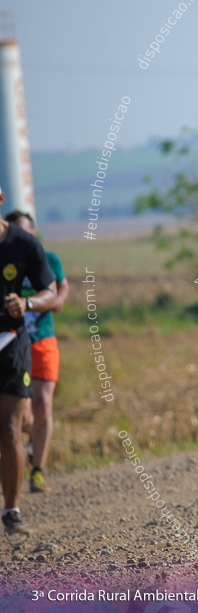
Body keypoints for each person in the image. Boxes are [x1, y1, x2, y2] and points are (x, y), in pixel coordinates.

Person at [0, 192, 57, 536]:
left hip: (10, 341)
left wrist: (27, 303)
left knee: (8, 427)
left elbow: (50, 293)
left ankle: (11, 510)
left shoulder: (24, 244)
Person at [6, 211, 68, 493]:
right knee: (25, 417)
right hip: (14, 342)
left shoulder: (46, 257)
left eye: (26, 231)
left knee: (43, 404)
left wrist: (45, 302)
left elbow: (59, 290)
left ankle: (38, 470)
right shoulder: (7, 255)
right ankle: (21, 452)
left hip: (43, 339)